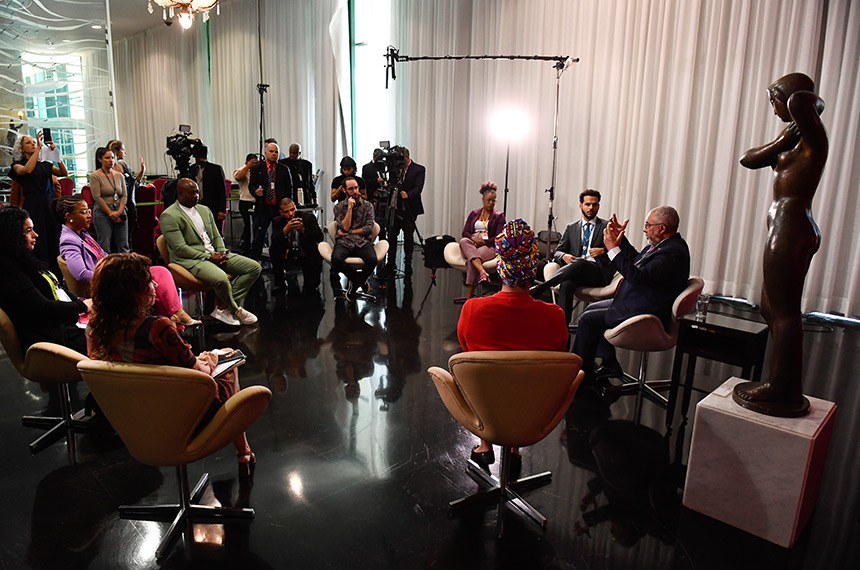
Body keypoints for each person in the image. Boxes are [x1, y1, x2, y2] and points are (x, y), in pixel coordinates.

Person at [86, 253, 256, 479]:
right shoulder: (158, 328)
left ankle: (244, 452)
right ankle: (243, 452)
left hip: (132, 417)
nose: (155, 284)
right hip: (180, 415)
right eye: (148, 280)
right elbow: (201, 372)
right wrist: (210, 359)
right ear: (133, 291)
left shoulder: (95, 329)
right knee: (228, 359)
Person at [734, 72, 828, 417]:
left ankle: (783, 388)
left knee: (785, 310)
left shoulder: (814, 138)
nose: (773, 109)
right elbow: (749, 158)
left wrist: (799, 102)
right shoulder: (793, 138)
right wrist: (781, 140)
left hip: (792, 227)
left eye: (774, 100)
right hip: (784, 227)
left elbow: (804, 102)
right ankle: (782, 381)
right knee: (769, 306)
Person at [457, 219, 568, 472]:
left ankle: (485, 446)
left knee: (484, 375)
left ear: (501, 266)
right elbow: (557, 358)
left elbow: (469, 356)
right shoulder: (555, 316)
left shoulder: (473, 309)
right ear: (533, 267)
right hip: (533, 413)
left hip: (487, 410)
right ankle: (515, 449)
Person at [571, 206, 690, 383]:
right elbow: (636, 261)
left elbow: (636, 276)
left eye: (648, 225)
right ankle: (609, 363)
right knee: (592, 309)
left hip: (647, 311)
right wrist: (620, 241)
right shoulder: (663, 246)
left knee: (588, 320)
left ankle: (580, 374)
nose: (644, 229)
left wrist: (612, 250)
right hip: (638, 301)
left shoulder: (672, 253)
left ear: (662, 228)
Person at [55, 195, 199, 326]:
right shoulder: (69, 241)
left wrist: (124, 264)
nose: (89, 215)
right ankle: (172, 322)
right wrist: (116, 275)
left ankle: (170, 321)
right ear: (69, 217)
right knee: (154, 281)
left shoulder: (83, 234)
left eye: (88, 211)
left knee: (159, 273)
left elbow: (104, 255)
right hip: (103, 286)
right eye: (83, 212)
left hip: (112, 278)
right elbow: (81, 274)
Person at [159, 178, 261, 326]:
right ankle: (236, 309)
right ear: (180, 194)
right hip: (189, 260)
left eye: (197, 192)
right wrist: (209, 256)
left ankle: (223, 308)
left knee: (254, 268)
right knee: (221, 278)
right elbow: (180, 248)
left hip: (213, 254)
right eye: (191, 193)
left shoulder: (204, 210)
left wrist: (221, 252)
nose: (196, 196)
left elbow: (216, 236)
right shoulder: (169, 216)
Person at [0, 206, 89, 354]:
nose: (36, 235)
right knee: (120, 338)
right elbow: (43, 308)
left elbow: (57, 288)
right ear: (12, 235)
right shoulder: (8, 272)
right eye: (28, 231)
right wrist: (83, 307)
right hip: (50, 342)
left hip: (60, 329)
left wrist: (80, 303)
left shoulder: (23, 261)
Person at [532, 189, 615, 324]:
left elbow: (620, 251)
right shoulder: (571, 228)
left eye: (594, 205)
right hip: (576, 273)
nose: (591, 208)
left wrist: (604, 251)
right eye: (587, 204)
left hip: (598, 273)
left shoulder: (606, 227)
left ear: (598, 206)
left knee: (580, 263)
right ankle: (561, 329)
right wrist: (564, 256)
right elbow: (558, 251)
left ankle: (542, 287)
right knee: (566, 284)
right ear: (580, 205)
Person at [9, 131, 67, 267]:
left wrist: (56, 153)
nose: (33, 144)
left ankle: (57, 270)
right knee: (39, 239)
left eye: (34, 142)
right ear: (21, 149)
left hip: (48, 204)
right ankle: (40, 268)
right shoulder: (17, 165)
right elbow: (28, 170)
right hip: (33, 204)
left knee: (53, 236)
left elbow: (64, 173)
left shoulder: (45, 165)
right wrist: (40, 149)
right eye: (28, 142)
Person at [457, 181, 506, 298]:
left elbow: (499, 237)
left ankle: (469, 297)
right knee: (463, 241)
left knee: (472, 259)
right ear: (483, 199)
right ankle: (482, 271)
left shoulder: (499, 216)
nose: (491, 203)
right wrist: (473, 238)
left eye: (494, 201)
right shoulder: (474, 213)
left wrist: (483, 242)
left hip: (489, 246)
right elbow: (465, 232)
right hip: (472, 244)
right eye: (489, 200)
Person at [331, 176, 377, 302]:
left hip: (362, 240)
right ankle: (360, 281)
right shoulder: (339, 207)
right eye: (351, 189)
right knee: (336, 259)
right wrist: (350, 208)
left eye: (356, 188)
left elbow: (368, 228)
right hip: (344, 241)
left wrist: (349, 232)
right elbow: (344, 227)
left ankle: (354, 286)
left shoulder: (368, 206)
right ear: (345, 191)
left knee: (372, 260)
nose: (355, 191)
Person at [248, 141, 294, 260]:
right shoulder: (257, 168)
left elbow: (289, 189)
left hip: (278, 208)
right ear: (265, 153)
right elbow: (251, 186)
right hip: (263, 207)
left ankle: (280, 260)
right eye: (271, 151)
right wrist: (255, 192)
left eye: (276, 152)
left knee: (280, 235)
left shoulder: (284, 169)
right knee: (259, 236)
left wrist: (288, 206)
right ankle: (255, 261)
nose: (274, 154)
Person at [383, 147, 424, 276]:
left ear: (407, 157)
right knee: (392, 236)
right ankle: (391, 263)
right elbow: (391, 183)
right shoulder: (395, 169)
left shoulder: (419, 169)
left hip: (409, 208)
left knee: (408, 236)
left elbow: (418, 188)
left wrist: (408, 194)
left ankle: (407, 263)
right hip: (395, 208)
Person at [270, 197, 324, 296]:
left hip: (305, 252)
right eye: (286, 211)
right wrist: (285, 230)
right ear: (281, 212)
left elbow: (320, 237)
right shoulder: (277, 221)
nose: (291, 214)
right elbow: (274, 241)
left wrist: (303, 230)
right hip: (289, 251)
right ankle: (280, 281)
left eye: (292, 209)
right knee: (273, 250)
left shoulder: (308, 218)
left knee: (311, 285)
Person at [89, 146, 129, 254]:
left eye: (112, 157)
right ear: (100, 159)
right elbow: (96, 197)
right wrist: (110, 213)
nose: (111, 160)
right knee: (104, 246)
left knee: (124, 245)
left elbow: (124, 195)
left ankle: (127, 269)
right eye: (107, 158)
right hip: (103, 211)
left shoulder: (119, 175)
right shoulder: (95, 176)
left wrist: (119, 212)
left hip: (119, 209)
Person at [109, 140, 145, 247]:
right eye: (123, 150)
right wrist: (142, 170)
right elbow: (135, 183)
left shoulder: (107, 168)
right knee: (126, 238)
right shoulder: (122, 164)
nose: (125, 153)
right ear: (116, 151)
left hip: (113, 206)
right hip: (127, 205)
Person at [187, 145, 228, 234]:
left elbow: (222, 191)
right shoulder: (191, 170)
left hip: (213, 207)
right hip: (196, 207)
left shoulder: (216, 169)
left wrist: (222, 210)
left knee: (215, 233)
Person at [233, 153, 260, 256]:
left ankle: (256, 249)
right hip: (245, 202)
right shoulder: (241, 170)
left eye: (257, 163)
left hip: (257, 202)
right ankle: (247, 250)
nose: (255, 165)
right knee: (248, 227)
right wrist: (248, 166)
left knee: (257, 226)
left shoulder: (257, 172)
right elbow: (239, 177)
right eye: (253, 162)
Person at [362, 149, 389, 242]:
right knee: (371, 221)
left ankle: (383, 243)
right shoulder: (367, 167)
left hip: (384, 199)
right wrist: (376, 181)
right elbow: (364, 182)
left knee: (383, 224)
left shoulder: (384, 166)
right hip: (372, 198)